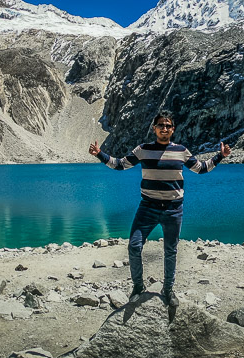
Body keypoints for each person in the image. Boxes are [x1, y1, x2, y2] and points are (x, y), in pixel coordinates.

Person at [89, 111, 230, 307]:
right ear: (154, 128)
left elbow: (201, 168)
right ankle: (138, 287)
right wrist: (100, 155)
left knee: (170, 251)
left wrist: (220, 156)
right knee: (134, 246)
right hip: (147, 207)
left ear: (173, 129)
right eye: (160, 125)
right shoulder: (143, 149)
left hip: (173, 209)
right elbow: (120, 165)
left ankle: (168, 289)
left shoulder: (181, 150)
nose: (164, 129)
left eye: (168, 126)